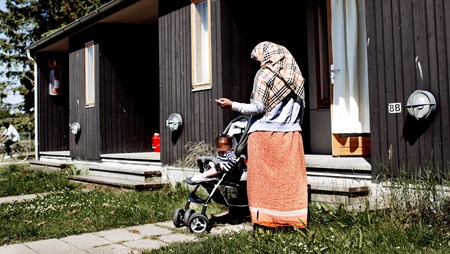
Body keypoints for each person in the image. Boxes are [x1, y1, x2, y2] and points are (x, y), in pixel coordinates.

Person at [215, 41, 308, 229]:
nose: (259, 64)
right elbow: (302, 111)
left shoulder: (264, 74)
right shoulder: (296, 77)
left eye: (259, 59)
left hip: (264, 136)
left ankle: (265, 221)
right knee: (289, 181)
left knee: (263, 183)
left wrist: (232, 104)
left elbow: (258, 108)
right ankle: (293, 220)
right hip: (291, 135)